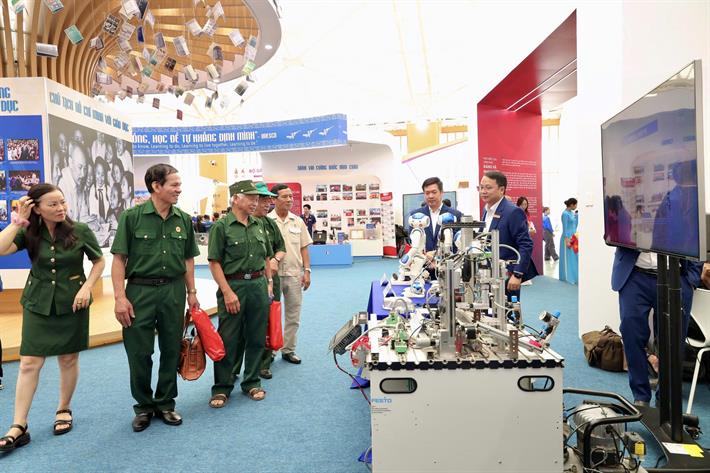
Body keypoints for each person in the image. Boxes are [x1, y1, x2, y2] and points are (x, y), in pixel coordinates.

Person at [0, 184, 104, 452]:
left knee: (68, 359)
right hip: (38, 303)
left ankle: (63, 408)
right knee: (29, 363)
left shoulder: (80, 230)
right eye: (53, 204)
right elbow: (1, 248)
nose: (61, 208)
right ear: (37, 208)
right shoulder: (28, 231)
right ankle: (19, 425)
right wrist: (18, 221)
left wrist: (87, 287)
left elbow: (99, 261)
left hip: (72, 302)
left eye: (62, 202)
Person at [110, 163, 200, 432]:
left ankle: (165, 403)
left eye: (179, 184)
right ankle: (143, 407)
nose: (179, 189)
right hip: (139, 292)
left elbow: (188, 259)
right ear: (156, 186)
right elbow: (119, 259)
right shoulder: (132, 217)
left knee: (171, 349)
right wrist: (119, 297)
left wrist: (192, 293)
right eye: (174, 184)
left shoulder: (183, 219)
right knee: (139, 352)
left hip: (173, 291)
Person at [207, 180, 273, 408]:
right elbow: (214, 262)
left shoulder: (259, 224)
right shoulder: (221, 226)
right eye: (251, 198)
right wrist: (227, 292)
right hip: (233, 286)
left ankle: (252, 382)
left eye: (257, 198)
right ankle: (222, 387)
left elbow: (266, 257)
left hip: (258, 285)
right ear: (236, 198)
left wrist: (269, 283)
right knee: (228, 339)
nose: (256, 202)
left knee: (256, 337)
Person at [612, 247, 702, 406]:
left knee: (673, 341)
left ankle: (665, 400)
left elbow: (697, 236)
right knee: (631, 333)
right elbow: (612, 232)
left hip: (676, 276)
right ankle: (640, 397)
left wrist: (692, 279)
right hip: (635, 275)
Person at [231, 182, 286, 380]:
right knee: (238, 327)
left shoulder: (269, 224)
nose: (267, 203)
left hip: (268, 281)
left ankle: (263, 363)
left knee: (266, 323)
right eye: (262, 199)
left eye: (268, 199)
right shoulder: (233, 224)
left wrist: (275, 260)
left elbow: (281, 248)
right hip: (242, 282)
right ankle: (234, 368)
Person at [268, 183, 313, 365]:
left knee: (293, 315)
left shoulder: (298, 221)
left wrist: (307, 271)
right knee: (271, 315)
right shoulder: (267, 221)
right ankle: (271, 351)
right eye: (285, 196)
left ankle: (288, 350)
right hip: (272, 276)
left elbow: (304, 248)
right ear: (274, 199)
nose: (289, 200)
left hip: (294, 274)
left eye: (291, 196)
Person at [479, 171, 537, 300]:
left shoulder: (513, 212)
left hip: (507, 275)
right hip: (489, 273)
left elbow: (526, 244)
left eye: (488, 188)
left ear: (501, 190)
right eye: (481, 187)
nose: (483, 191)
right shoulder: (486, 210)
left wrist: (517, 274)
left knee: (507, 309)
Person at [407, 177, 462, 254]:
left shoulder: (455, 215)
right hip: (423, 260)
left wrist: (438, 254)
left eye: (434, 192)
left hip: (446, 259)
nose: (430, 196)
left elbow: (458, 242)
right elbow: (412, 239)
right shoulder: (415, 216)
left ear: (441, 193)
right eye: (427, 193)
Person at [57, 140, 89, 221]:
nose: (83, 174)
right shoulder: (61, 186)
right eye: (80, 167)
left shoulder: (79, 183)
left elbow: (83, 216)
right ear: (70, 162)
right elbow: (62, 222)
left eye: (85, 168)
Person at [559, 198, 579, 284]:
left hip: (574, 237)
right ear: (571, 205)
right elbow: (565, 228)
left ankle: (574, 276)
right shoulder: (565, 214)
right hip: (567, 238)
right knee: (568, 257)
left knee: (574, 257)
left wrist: (577, 216)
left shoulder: (572, 213)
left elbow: (575, 225)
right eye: (575, 204)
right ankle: (567, 277)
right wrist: (567, 240)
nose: (576, 206)